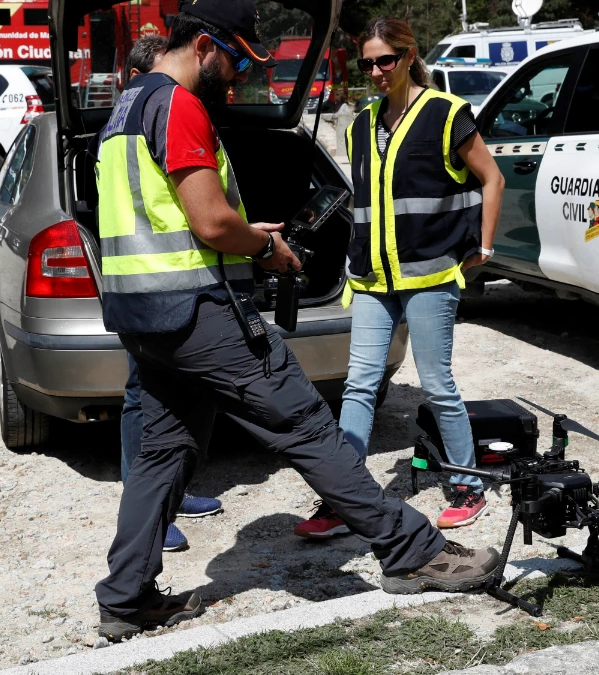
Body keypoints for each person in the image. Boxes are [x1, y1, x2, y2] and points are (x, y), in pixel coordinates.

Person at [92, 0, 499, 643]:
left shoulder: (126, 105)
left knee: (162, 452)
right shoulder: (179, 105)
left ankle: (125, 597)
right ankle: (413, 552)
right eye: (235, 62)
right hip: (197, 312)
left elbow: (164, 216)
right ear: (204, 46)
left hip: (143, 317)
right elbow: (208, 222)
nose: (236, 78)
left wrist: (241, 231)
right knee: (307, 425)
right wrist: (264, 248)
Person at [294, 17, 504, 538]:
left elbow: (492, 177)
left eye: (385, 60)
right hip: (372, 279)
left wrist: (484, 245)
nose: (376, 71)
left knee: (437, 384)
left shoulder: (448, 113)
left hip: (431, 274)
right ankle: (344, 499)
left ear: (409, 56)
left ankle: (467, 485)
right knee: (359, 386)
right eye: (367, 63)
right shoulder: (360, 125)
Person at [117, 32, 221, 554]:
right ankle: (154, 509)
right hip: (150, 290)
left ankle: (174, 496)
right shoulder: (146, 113)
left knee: (175, 398)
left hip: (174, 287)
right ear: (142, 75)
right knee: (144, 399)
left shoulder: (147, 112)